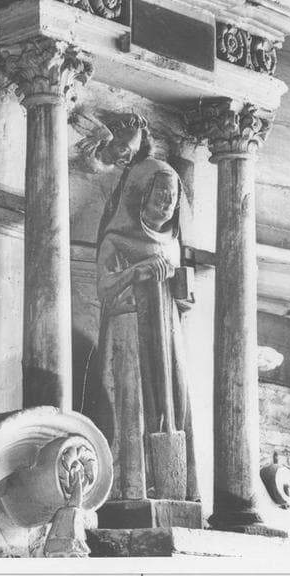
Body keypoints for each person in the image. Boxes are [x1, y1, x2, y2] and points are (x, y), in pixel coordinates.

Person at [90, 157, 199, 502]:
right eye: (160, 193)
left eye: (172, 197)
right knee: (132, 401)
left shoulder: (173, 242)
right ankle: (130, 486)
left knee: (175, 402)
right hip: (130, 329)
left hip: (167, 333)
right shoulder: (117, 239)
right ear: (140, 194)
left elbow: (179, 297)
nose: (167, 202)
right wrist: (137, 272)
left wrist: (183, 295)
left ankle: (172, 487)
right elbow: (104, 288)